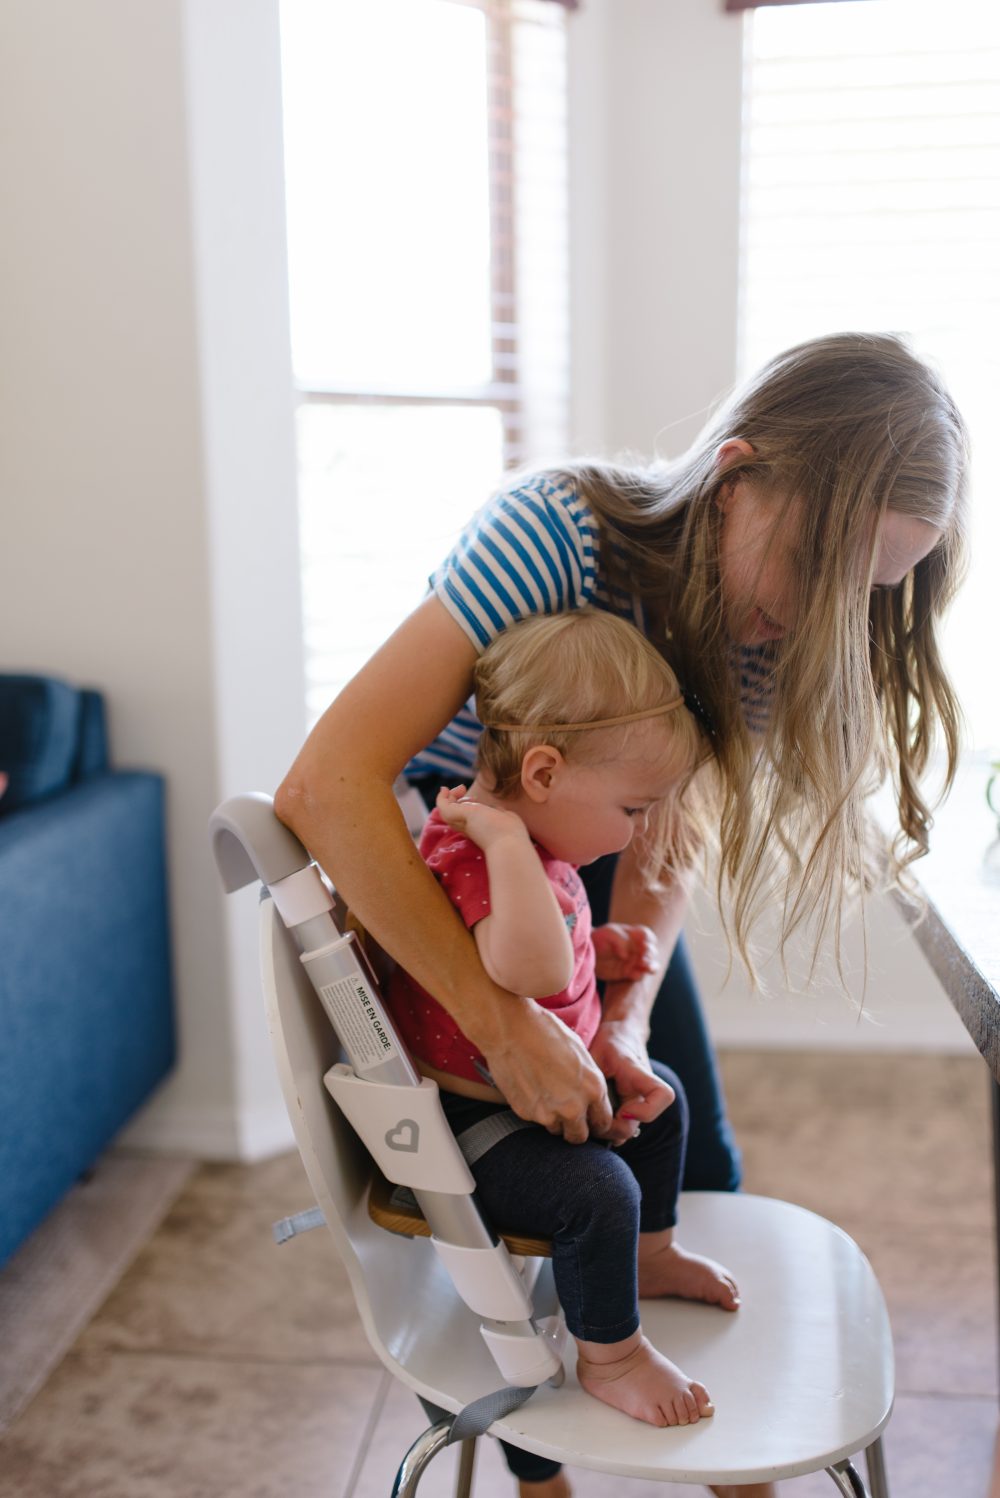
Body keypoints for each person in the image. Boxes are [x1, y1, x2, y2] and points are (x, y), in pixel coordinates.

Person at [276, 331, 969, 1498]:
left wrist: (624, 1018)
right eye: (815, 564)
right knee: (504, 1204)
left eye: (871, 592)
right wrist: (504, 1022)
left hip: (579, 882)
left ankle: (734, 1465)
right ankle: (541, 1472)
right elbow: (324, 788)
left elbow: (663, 838)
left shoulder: (767, 634)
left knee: (686, 1156)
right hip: (449, 877)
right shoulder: (551, 534)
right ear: (733, 476)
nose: (818, 621)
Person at [389, 609, 738, 1429]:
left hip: (533, 1093)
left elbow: (550, 960)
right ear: (542, 773)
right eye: (632, 808)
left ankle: (648, 1262)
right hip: (473, 1125)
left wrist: (597, 948)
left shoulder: (536, 850)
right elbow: (530, 968)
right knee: (600, 1194)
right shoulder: (483, 854)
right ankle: (610, 1356)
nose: (641, 831)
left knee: (666, 1100)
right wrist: (508, 849)